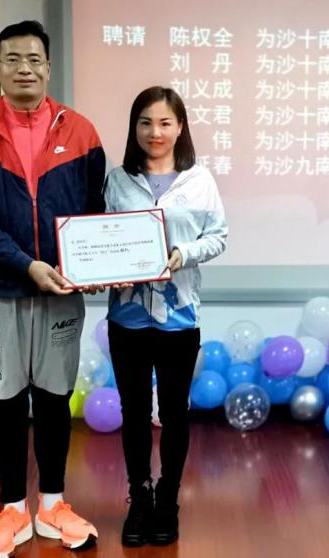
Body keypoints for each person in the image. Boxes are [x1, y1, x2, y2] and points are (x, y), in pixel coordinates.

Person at [0, 20, 105, 557]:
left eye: (34, 59)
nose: (24, 69)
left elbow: (95, 214)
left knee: (55, 398)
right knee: (5, 402)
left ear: (48, 67)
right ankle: (14, 509)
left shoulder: (81, 131)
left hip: (60, 292)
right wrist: (25, 264)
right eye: (12, 59)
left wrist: (97, 263)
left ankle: (53, 505)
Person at [104, 86, 228, 546]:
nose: (154, 132)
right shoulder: (118, 180)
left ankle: (167, 502)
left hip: (179, 318)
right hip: (127, 318)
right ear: (134, 128)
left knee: (175, 413)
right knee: (134, 413)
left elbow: (218, 236)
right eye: (145, 123)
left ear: (180, 128)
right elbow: (101, 236)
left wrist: (184, 253)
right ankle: (139, 500)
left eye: (164, 123)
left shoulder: (200, 180)